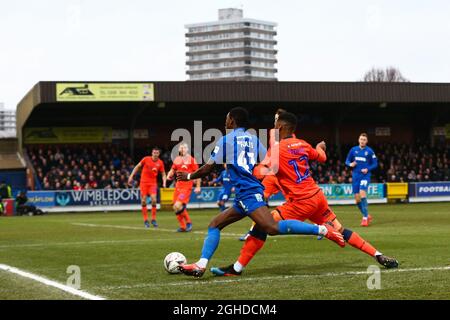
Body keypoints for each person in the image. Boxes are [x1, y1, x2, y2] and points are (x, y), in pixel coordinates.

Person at [210, 112, 398, 276]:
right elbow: (321, 157)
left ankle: (236, 268)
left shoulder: (277, 149)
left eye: (276, 124)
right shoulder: (303, 144)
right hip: (317, 197)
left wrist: (239, 168)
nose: (274, 126)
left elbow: (261, 171)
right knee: (342, 229)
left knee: (263, 225)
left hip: (300, 202)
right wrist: (320, 148)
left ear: (281, 127)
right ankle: (378, 255)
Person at [175, 107, 345, 278]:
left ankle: (322, 230)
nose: (225, 121)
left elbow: (208, 168)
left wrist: (188, 175)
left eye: (227, 118)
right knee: (215, 224)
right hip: (244, 194)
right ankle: (201, 265)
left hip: (248, 192)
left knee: (271, 227)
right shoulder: (254, 139)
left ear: (232, 120)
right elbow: (268, 162)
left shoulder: (225, 140)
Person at [128, 147, 167, 228]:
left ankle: (153, 219)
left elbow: (163, 174)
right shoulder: (146, 159)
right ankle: (146, 220)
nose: (155, 154)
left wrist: (164, 182)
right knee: (143, 201)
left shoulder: (160, 163)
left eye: (157, 153)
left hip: (153, 184)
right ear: (152, 153)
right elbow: (137, 167)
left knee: (154, 199)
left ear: (159, 154)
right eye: (154, 153)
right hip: (143, 183)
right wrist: (131, 176)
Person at [167, 142, 201, 232]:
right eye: (181, 148)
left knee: (178, 205)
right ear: (179, 150)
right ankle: (183, 226)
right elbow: (173, 169)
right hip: (178, 186)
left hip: (186, 187)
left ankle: (188, 222)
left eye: (184, 148)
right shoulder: (177, 159)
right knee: (175, 207)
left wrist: (198, 186)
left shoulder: (192, 160)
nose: (183, 149)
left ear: (187, 149)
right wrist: (169, 174)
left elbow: (198, 174)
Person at [345, 133, 378, 226]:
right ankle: (366, 215)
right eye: (361, 139)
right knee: (357, 200)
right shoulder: (353, 150)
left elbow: (375, 164)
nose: (362, 141)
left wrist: (367, 169)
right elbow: (347, 160)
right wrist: (350, 164)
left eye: (364, 140)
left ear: (366, 141)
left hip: (365, 176)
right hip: (356, 176)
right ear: (358, 140)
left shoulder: (370, 151)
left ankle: (364, 218)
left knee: (362, 192)